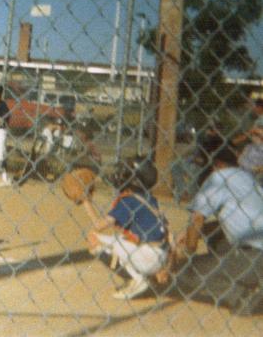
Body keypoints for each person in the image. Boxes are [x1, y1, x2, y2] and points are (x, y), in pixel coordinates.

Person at [173, 134, 263, 314]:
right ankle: (241, 276)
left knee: (185, 270)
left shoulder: (218, 177)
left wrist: (188, 254)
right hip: (256, 252)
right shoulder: (247, 177)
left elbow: (197, 218)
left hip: (254, 256)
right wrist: (189, 233)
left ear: (216, 163)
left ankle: (243, 297)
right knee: (215, 235)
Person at [82, 156, 169, 300]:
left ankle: (139, 279)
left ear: (134, 179)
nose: (121, 176)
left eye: (125, 173)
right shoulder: (149, 198)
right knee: (120, 239)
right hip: (160, 256)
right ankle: (145, 275)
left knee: (94, 238)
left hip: (148, 258)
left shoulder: (129, 201)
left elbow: (98, 226)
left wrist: (86, 201)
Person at [238, 116, 263, 183]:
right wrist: (254, 168)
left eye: (257, 135)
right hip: (244, 174)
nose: (254, 137)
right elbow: (240, 160)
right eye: (254, 135)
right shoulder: (249, 147)